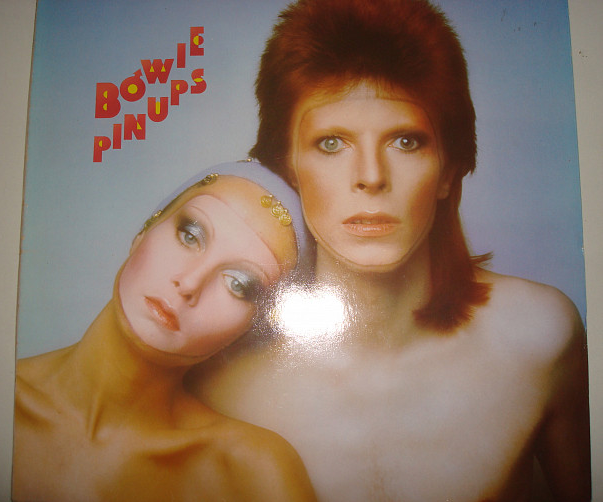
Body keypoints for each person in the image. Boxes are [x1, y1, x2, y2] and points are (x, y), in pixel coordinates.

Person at [188, 1, 591, 501]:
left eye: (405, 141)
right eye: (331, 144)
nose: (372, 177)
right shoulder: (215, 382)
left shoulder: (541, 336)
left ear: (448, 170)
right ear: (287, 171)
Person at [11, 160, 317, 502]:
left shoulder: (251, 473)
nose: (189, 283)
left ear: (248, 330)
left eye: (238, 284)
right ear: (145, 230)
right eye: (189, 236)